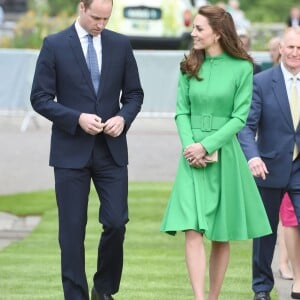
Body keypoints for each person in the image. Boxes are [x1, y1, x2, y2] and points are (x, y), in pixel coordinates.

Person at [30, 0, 144, 299]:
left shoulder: (120, 45)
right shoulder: (54, 44)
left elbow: (134, 94)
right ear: (81, 7)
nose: (101, 25)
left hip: (111, 151)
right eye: (96, 17)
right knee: (71, 232)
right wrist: (76, 118)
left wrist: (123, 117)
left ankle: (103, 290)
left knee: (117, 222)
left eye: (106, 19)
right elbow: (40, 97)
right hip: (70, 151)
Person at [160, 5, 271, 300]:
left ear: (218, 33)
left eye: (199, 29)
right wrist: (190, 147)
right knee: (192, 230)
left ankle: (213, 297)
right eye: (194, 28)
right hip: (191, 156)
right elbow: (181, 112)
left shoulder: (243, 67)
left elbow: (239, 117)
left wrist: (207, 146)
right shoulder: (188, 65)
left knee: (221, 234)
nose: (193, 33)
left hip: (224, 155)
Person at [238, 27, 300, 300]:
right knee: (265, 233)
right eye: (291, 48)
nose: (295, 53)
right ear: (280, 49)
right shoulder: (262, 82)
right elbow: (246, 127)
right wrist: (253, 157)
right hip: (269, 167)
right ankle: (262, 288)